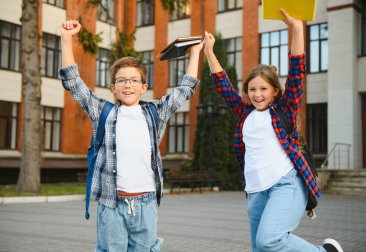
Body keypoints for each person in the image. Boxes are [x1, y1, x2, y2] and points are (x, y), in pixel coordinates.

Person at [203, 10, 343, 252]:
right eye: (252, 89)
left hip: (285, 184)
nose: (257, 94)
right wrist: (209, 51)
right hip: (256, 191)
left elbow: (297, 72)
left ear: (275, 91)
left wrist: (297, 28)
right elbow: (222, 83)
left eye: (263, 89)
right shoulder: (244, 113)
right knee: (261, 249)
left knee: (269, 240)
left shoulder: (284, 110)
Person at [59, 20, 203, 252]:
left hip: (146, 204)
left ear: (143, 86)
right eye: (121, 80)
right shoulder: (103, 111)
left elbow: (185, 89)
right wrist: (67, 39)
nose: (128, 85)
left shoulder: (156, 112)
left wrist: (195, 52)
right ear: (113, 87)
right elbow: (73, 83)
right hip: (112, 204)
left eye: (134, 80)